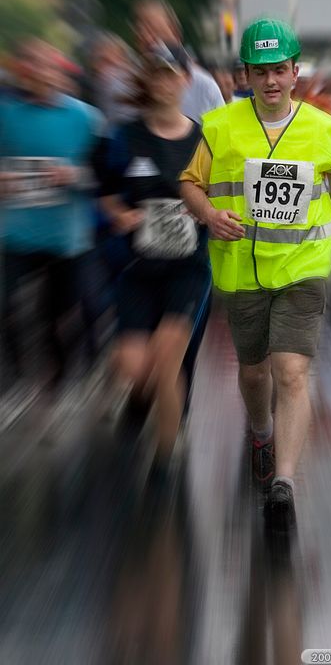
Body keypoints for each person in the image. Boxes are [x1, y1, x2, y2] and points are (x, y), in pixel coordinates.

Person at [181, 18, 331, 529]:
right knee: (254, 371)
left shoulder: (323, 127)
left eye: (279, 71)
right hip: (241, 272)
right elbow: (190, 183)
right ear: (245, 75)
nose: (270, 82)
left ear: (295, 72)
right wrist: (208, 213)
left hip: (303, 267)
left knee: (291, 370)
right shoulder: (219, 127)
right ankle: (260, 432)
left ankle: (284, 480)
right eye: (260, 72)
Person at [99, 48, 211, 483]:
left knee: (168, 361)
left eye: (172, 75)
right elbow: (105, 192)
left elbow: (221, 196)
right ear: (146, 81)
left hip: (188, 268)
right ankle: (138, 396)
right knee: (134, 366)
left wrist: (204, 211)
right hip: (137, 269)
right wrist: (120, 215)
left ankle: (166, 459)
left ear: (186, 80)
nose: (164, 83)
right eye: (156, 75)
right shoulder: (123, 136)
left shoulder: (205, 140)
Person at [0, 38, 102, 389]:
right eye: (31, 65)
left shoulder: (86, 118)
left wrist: (75, 175)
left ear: (59, 73)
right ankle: (10, 375)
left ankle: (59, 371)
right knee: (5, 304)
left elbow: (107, 176)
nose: (39, 73)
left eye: (46, 67)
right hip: (13, 232)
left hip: (64, 236)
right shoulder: (5, 112)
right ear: (20, 71)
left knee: (57, 312)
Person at [132, 0, 224, 122]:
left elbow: (221, 136)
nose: (148, 39)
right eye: (141, 33)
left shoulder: (204, 87)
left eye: (156, 32)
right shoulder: (125, 85)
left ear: (175, 33)